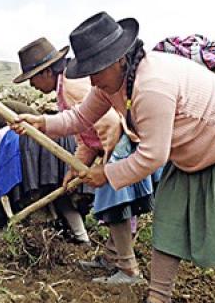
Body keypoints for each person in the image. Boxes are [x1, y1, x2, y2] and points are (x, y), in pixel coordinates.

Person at [11, 12, 215, 303]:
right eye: (87, 72)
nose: (92, 81)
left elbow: (151, 156)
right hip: (190, 149)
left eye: (96, 71)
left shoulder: (152, 86)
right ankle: (159, 301)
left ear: (119, 59)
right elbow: (79, 117)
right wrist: (41, 122)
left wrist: (106, 175)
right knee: (169, 220)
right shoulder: (111, 80)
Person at [13, 37, 157, 285]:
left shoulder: (71, 85)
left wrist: (108, 163)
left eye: (33, 78)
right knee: (116, 204)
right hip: (113, 145)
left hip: (121, 143)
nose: (33, 86)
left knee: (115, 203)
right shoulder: (63, 88)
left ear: (47, 71)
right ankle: (113, 259)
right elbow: (85, 134)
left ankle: (130, 271)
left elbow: (109, 124)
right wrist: (75, 167)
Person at [0, 91, 92, 244]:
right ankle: (82, 237)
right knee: (59, 194)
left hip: (39, 147)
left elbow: (5, 140)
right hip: (45, 144)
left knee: (12, 188)